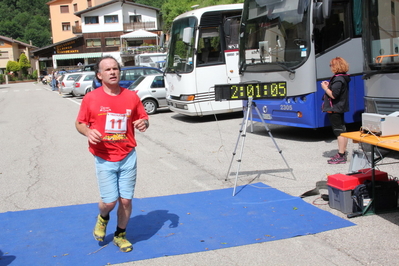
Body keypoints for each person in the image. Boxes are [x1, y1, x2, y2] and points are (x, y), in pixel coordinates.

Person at [75, 56, 149, 252]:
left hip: (127, 155)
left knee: (125, 200)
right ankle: (103, 217)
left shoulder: (131, 96)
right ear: (99, 75)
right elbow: (80, 123)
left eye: (115, 68)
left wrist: (144, 123)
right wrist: (88, 132)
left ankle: (120, 235)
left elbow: (143, 118)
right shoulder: (91, 98)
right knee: (109, 202)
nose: (113, 72)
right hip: (104, 157)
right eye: (107, 69)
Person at [321, 57, 350, 164]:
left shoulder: (338, 79)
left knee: (339, 132)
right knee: (342, 130)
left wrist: (325, 88)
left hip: (335, 108)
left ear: (336, 66)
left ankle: (341, 155)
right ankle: (343, 152)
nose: (330, 67)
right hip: (339, 107)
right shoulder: (343, 78)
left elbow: (333, 95)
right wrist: (329, 86)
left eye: (331, 65)